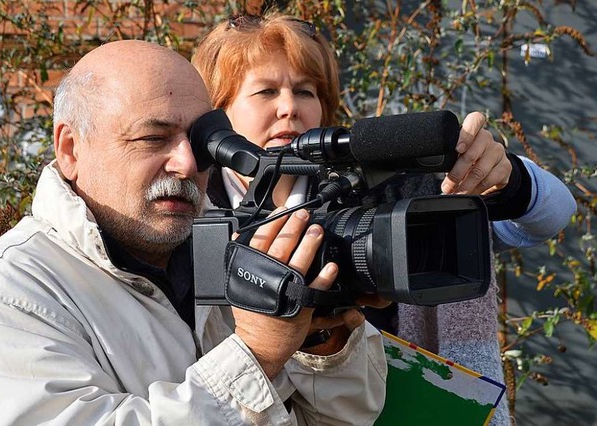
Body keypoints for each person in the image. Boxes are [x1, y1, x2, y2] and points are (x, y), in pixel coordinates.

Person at [0, 40, 389, 424]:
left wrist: (324, 343)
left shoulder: (235, 249)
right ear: (71, 149)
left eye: (200, 141)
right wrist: (256, 354)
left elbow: (347, 417)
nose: (186, 163)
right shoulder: (1, 297)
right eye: (152, 138)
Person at [191, 12, 577, 425]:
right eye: (266, 91)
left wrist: (506, 175)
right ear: (219, 112)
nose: (289, 108)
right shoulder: (186, 208)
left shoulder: (381, 191)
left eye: (305, 91)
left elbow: (551, 215)